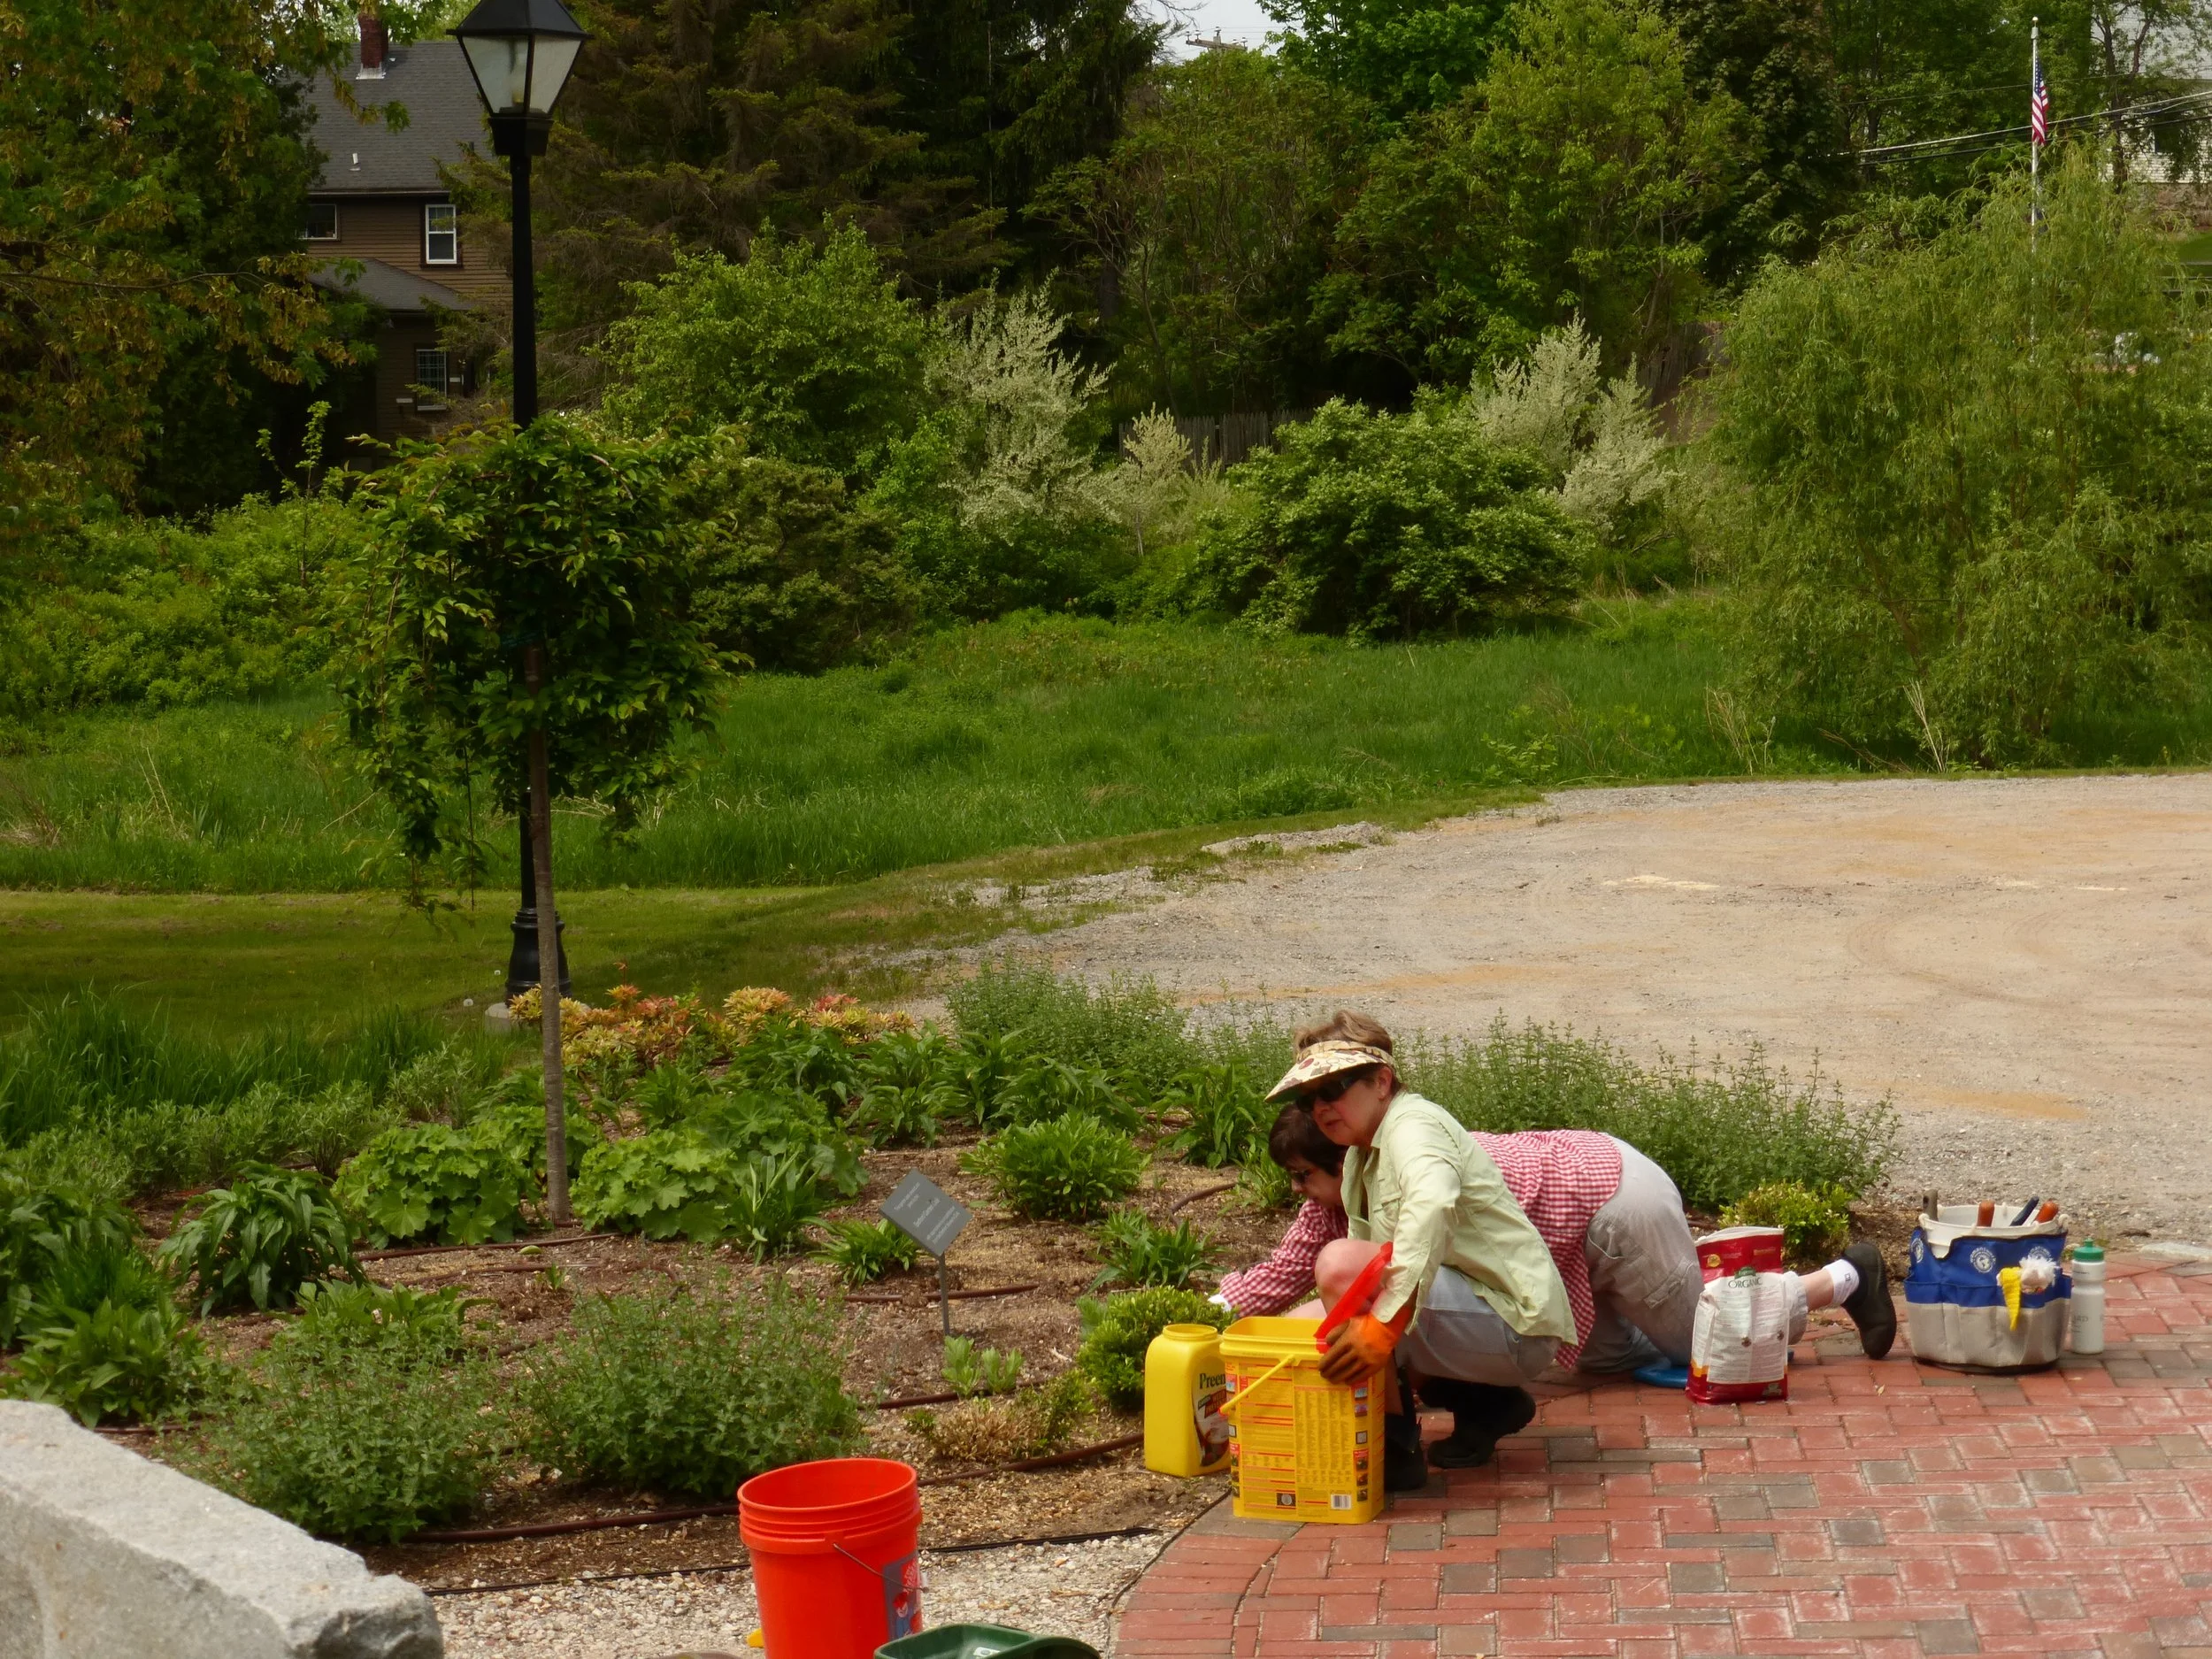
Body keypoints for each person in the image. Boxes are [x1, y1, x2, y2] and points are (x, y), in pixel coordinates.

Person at [1235, 1012, 1898, 1472]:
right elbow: (1310, 1265)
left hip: (1612, 1203)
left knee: (1707, 1342)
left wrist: (1384, 1323)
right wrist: (1229, 1334)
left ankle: (1844, 1277)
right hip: (1560, 1245)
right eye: (1309, 1094)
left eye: (1334, 1086)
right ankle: (1475, 1408)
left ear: (1381, 1079)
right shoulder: (1359, 1158)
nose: (1321, 1104)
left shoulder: (1411, 1134)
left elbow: (1422, 1219)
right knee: (1608, 1361)